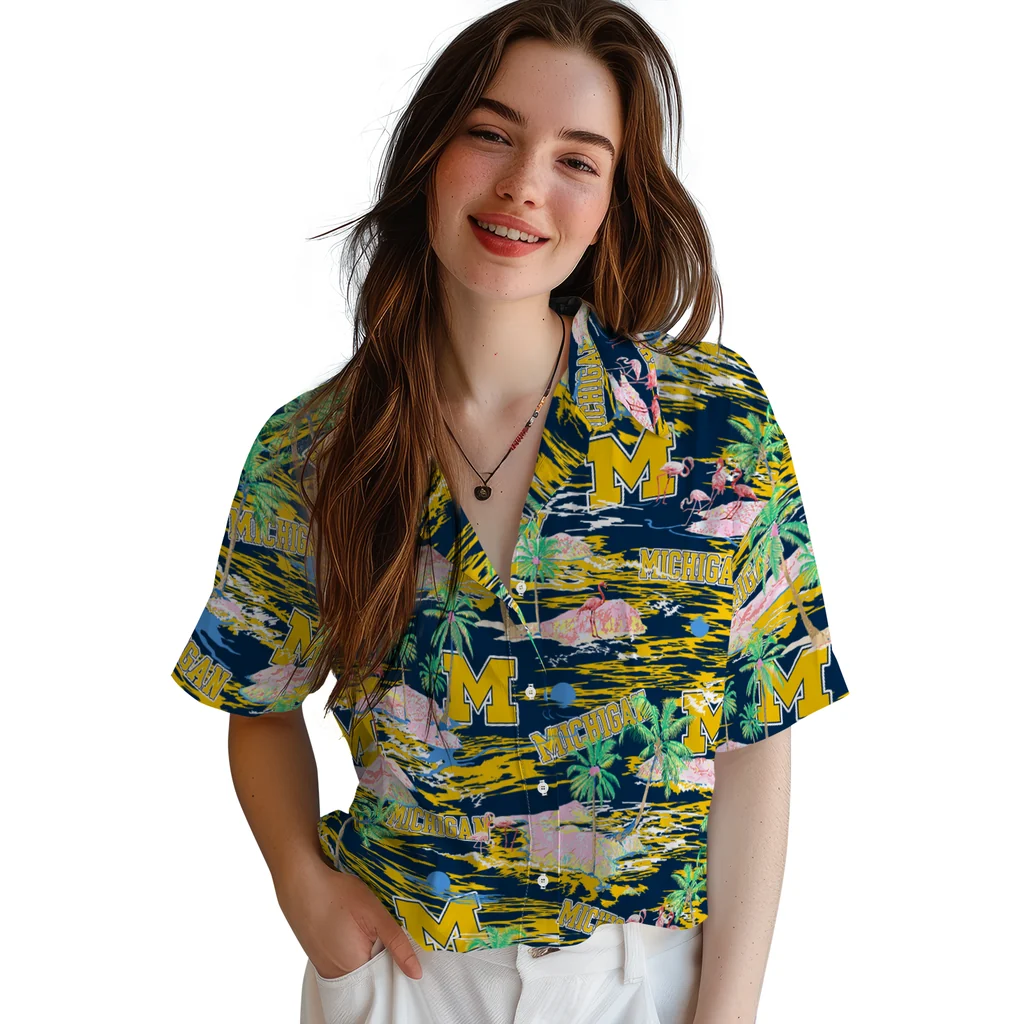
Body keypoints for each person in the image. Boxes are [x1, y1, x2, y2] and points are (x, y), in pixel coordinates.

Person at [169, 2, 850, 1022]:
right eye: (491, 133)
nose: (524, 183)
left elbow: (756, 738)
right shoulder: (311, 449)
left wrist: (728, 1011)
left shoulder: (714, 424)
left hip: (645, 984)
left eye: (577, 159)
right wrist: (302, 885)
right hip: (402, 978)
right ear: (429, 156)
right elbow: (256, 695)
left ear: (612, 202)